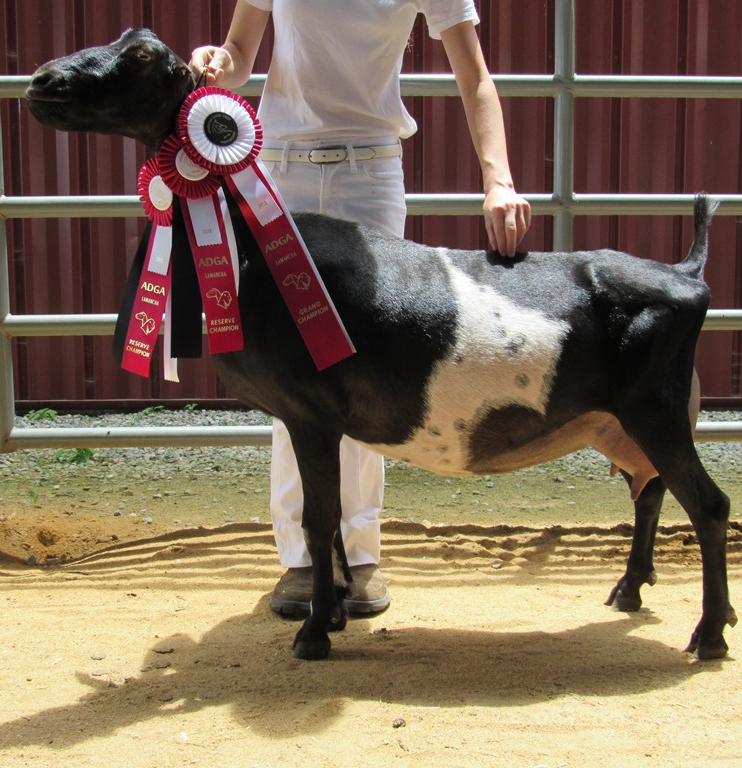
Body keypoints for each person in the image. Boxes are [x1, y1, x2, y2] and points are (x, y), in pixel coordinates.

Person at [190, 0, 531, 617]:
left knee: (367, 369)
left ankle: (362, 553)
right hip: (280, 174)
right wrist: (217, 64)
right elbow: (240, 53)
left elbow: (474, 76)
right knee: (289, 376)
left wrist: (497, 179)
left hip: (369, 176)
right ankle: (300, 559)